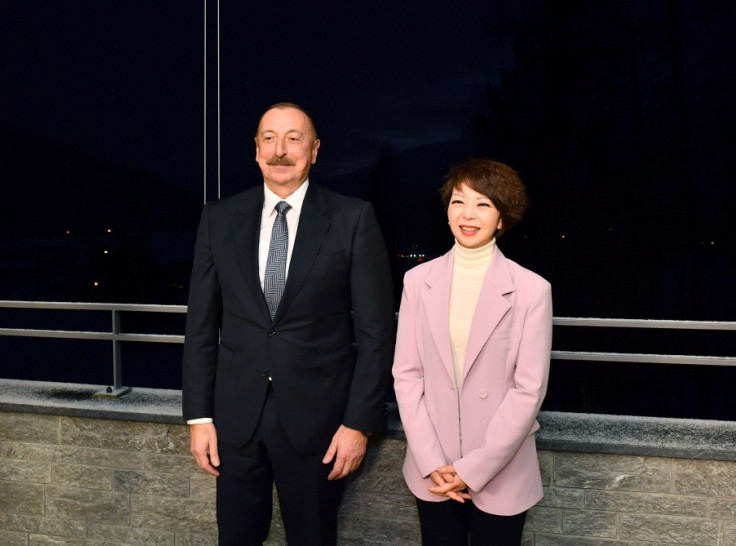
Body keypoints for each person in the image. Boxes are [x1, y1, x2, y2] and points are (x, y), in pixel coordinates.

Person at [182, 102, 396, 545]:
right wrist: (199, 417)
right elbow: (201, 328)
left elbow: (376, 334)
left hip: (320, 425)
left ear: (314, 150)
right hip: (235, 424)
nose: (280, 150)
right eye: (269, 138)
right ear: (256, 150)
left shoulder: (352, 218)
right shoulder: (218, 218)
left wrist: (358, 424)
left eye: (293, 139)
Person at [392, 158, 552, 545]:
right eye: (458, 201)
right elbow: (407, 375)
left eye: (483, 204)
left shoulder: (531, 289)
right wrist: (431, 460)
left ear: (501, 218)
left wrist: (473, 469)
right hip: (433, 470)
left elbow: (528, 390)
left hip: (502, 470)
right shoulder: (418, 281)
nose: (468, 214)